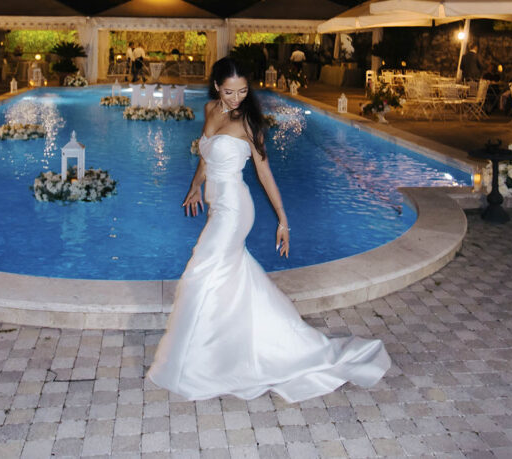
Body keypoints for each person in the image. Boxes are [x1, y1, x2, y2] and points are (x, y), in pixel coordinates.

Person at [146, 57, 391, 402]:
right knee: (226, 276)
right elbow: (206, 156)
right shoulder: (210, 110)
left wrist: (283, 220)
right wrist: (194, 186)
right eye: (230, 91)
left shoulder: (249, 122)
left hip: (235, 210)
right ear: (217, 87)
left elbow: (264, 173)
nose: (236, 98)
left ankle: (200, 360)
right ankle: (224, 345)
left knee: (201, 270)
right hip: (216, 205)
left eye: (243, 91)